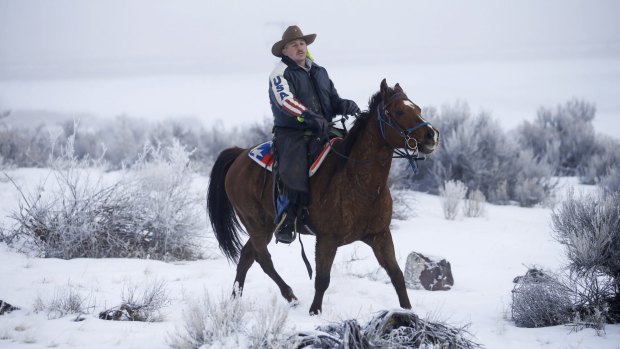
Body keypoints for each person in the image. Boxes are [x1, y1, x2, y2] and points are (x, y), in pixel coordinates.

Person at [268, 25, 360, 244]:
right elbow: (286, 101)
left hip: (324, 128)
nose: (300, 48)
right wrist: (309, 116)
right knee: (293, 167)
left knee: (354, 151)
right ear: (285, 51)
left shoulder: (320, 71)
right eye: (294, 45)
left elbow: (332, 99)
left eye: (302, 43)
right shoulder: (279, 74)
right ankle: (287, 218)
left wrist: (344, 105)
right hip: (293, 133)